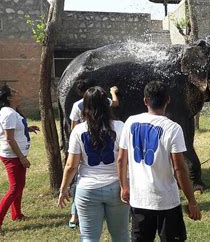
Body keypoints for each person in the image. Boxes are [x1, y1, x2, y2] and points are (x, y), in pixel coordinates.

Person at [117, 81, 201, 242]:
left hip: (139, 199)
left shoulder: (130, 122)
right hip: (167, 202)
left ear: (145, 101)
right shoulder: (173, 128)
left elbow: (121, 159)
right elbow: (179, 169)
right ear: (168, 100)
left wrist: (123, 187)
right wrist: (192, 201)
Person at [58, 86, 129, 241]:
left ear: (85, 106)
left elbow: (71, 166)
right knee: (121, 235)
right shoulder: (120, 126)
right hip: (116, 187)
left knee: (89, 237)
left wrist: (63, 189)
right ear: (107, 104)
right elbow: (126, 159)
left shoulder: (78, 131)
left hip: (88, 189)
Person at [67, 80, 120, 228]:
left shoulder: (77, 106)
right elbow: (115, 103)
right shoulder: (106, 103)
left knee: (78, 182)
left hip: (86, 150)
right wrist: (113, 92)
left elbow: (73, 126)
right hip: (113, 181)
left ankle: (73, 216)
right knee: (120, 233)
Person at [0, 85, 40, 234]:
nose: (18, 92)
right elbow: (9, 139)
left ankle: (16, 214)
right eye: (14, 91)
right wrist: (22, 158)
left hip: (15, 156)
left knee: (19, 185)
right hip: (13, 157)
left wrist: (27, 128)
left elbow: (13, 131)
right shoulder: (9, 113)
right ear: (9, 98)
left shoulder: (11, 112)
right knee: (14, 188)